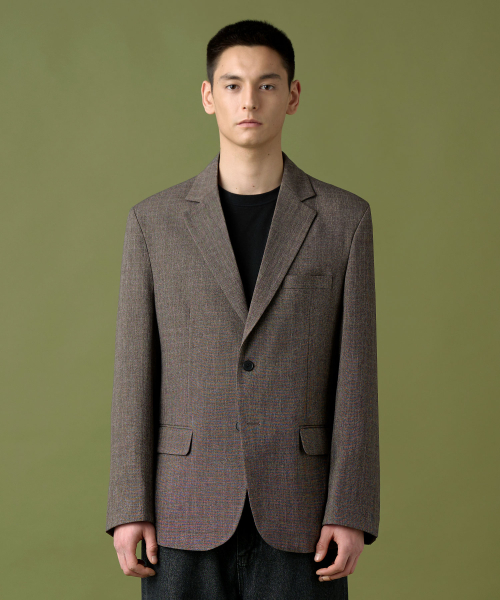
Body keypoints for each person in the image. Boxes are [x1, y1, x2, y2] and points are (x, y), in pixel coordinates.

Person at [105, 19, 379, 600]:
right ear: (208, 96)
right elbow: (134, 373)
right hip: (182, 507)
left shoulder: (344, 220)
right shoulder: (154, 223)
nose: (249, 100)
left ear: (292, 96)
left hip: (303, 512)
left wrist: (351, 508)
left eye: (266, 85)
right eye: (232, 85)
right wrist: (129, 505)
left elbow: (355, 377)